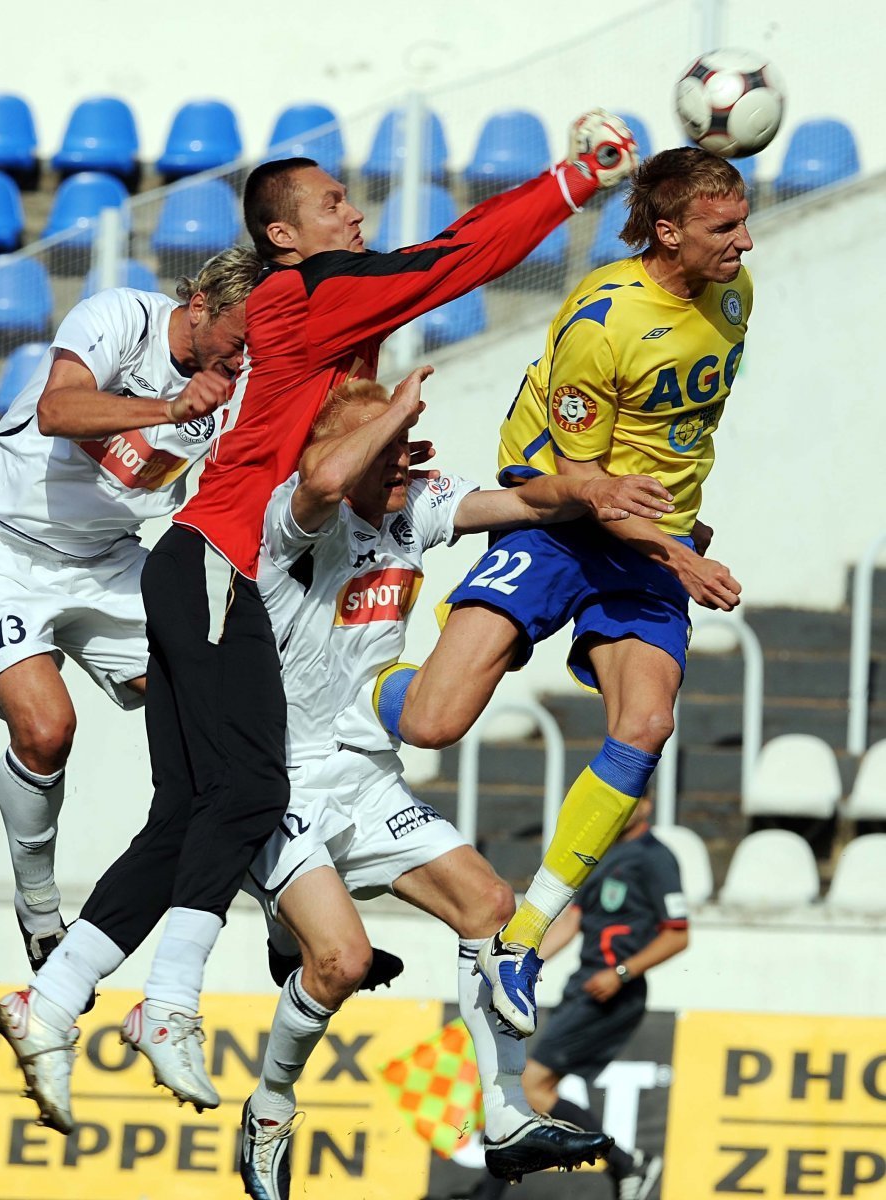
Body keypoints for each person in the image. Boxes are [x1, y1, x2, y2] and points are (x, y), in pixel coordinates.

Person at [0, 110, 640, 1137]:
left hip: (199, 564)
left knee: (187, 814)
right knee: (249, 789)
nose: (355, 209)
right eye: (333, 201)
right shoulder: (313, 291)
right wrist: (570, 184)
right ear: (281, 236)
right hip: (217, 560)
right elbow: (448, 259)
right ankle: (166, 1005)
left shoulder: (315, 310)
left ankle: (49, 1001)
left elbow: (422, 263)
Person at [238, 368, 673, 1199]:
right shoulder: (294, 518)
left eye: (407, 443)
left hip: (366, 774)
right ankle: (269, 1108)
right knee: (341, 962)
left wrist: (602, 490)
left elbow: (530, 504)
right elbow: (327, 476)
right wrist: (385, 419)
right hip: (280, 779)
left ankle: (504, 1116)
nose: (406, 456)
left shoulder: (413, 502)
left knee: (490, 906)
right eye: (390, 445)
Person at [372, 147, 750, 1037]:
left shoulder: (733, 293)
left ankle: (525, 938)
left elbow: (673, 442)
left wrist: (675, 535)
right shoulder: (601, 319)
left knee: (645, 725)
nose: (743, 242)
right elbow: (585, 485)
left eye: (741, 221)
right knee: (431, 723)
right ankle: (354, 685)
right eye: (721, 227)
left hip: (649, 542)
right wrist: (679, 556)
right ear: (667, 232)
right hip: (556, 516)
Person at [0, 248, 260, 973]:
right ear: (202, 304)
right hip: (4, 548)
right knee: (48, 730)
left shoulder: (237, 386)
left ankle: (269, 900)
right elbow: (58, 409)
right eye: (239, 340)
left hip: (111, 559)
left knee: (217, 721)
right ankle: (39, 905)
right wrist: (169, 407)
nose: (245, 358)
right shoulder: (122, 316)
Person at [458, 797, 688, 1200]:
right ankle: (624, 1163)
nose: (622, 809)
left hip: (613, 992)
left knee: (529, 1084)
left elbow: (678, 934)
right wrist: (522, 959)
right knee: (531, 1089)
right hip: (584, 986)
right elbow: (574, 920)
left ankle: (626, 1162)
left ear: (647, 806)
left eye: (632, 802)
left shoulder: (655, 858)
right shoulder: (607, 853)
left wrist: (621, 973)